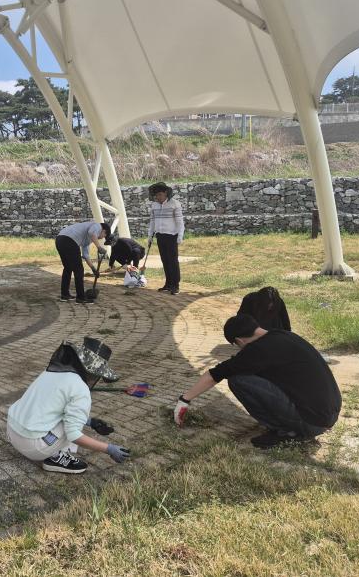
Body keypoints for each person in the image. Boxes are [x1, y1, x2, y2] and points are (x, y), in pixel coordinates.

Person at [173, 314, 341, 449]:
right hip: (328, 414)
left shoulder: (257, 351)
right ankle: (294, 426)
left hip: (311, 422)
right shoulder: (283, 335)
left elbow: (215, 374)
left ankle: (287, 432)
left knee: (237, 380)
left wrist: (185, 399)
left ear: (239, 341)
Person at [7, 337, 131, 473]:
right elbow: (74, 435)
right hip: (33, 446)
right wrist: (109, 449)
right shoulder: (81, 389)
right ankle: (55, 457)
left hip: (12, 431)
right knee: (71, 426)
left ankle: (52, 451)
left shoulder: (51, 371)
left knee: (71, 418)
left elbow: (52, 407)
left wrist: (90, 422)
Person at [55, 220, 113, 303]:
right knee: (79, 269)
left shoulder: (87, 238)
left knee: (68, 268)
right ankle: (81, 297)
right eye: (104, 236)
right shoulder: (97, 225)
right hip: (69, 241)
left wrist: (93, 269)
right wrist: (99, 247)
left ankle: (65, 295)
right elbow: (92, 232)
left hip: (60, 240)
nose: (102, 238)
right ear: (103, 231)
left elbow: (85, 255)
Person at [142, 182, 184, 294]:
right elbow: (152, 221)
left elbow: (180, 222)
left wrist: (180, 235)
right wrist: (150, 235)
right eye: (156, 195)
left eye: (160, 194)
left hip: (171, 236)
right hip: (160, 236)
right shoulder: (154, 205)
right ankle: (168, 284)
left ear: (166, 193)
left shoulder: (175, 204)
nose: (158, 197)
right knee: (165, 260)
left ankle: (175, 285)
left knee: (173, 261)